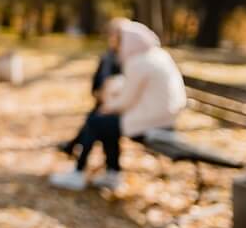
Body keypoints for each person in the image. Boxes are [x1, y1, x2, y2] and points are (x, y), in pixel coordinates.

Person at [49, 21, 186, 191]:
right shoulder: (157, 55)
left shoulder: (138, 62)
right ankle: (112, 173)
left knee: (97, 121)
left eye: (118, 40)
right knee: (104, 122)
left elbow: (125, 100)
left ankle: (79, 172)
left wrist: (107, 105)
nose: (116, 46)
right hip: (165, 118)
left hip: (152, 122)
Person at [56, 17, 126, 156]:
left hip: (118, 105)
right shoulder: (107, 57)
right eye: (110, 34)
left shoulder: (125, 60)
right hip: (104, 100)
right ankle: (78, 151)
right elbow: (97, 81)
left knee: (94, 120)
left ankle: (78, 155)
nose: (111, 38)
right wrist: (98, 93)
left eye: (115, 35)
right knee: (94, 118)